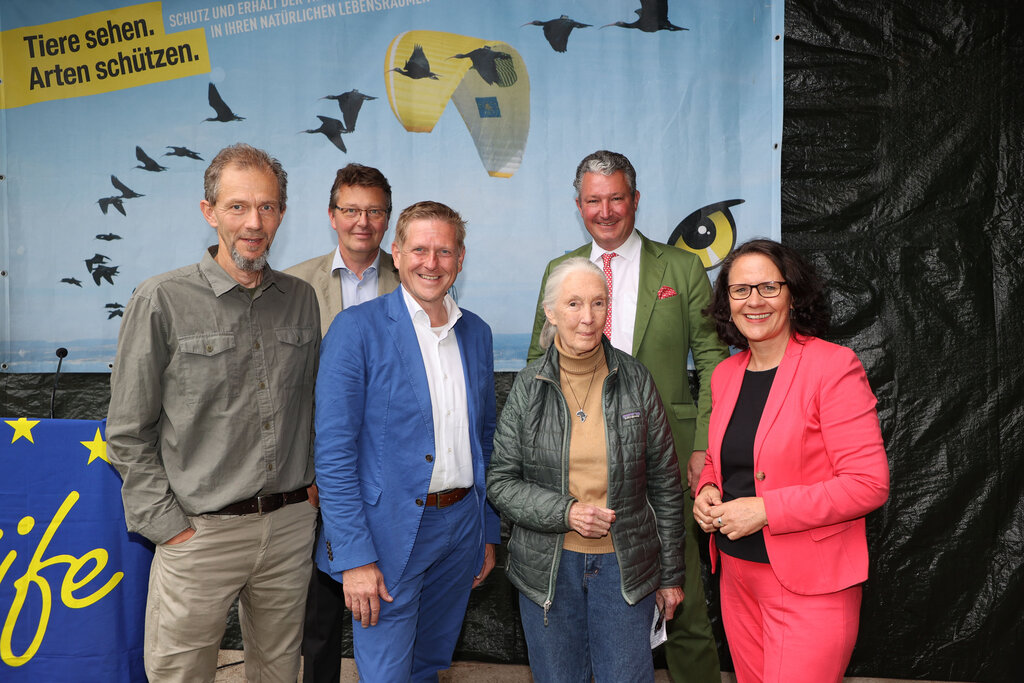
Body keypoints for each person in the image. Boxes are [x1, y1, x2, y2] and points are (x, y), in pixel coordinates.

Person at [106, 143, 320, 682]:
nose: (254, 222)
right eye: (238, 206)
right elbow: (127, 431)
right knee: (181, 674)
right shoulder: (161, 299)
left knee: (278, 673)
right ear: (209, 212)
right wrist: (169, 527)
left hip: (290, 528)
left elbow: (314, 405)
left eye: (268, 207)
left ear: (282, 215)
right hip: (199, 532)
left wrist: (310, 496)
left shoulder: (300, 298)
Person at [528, 150, 729, 683]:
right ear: (578, 206)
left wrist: (702, 449)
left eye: (617, 197)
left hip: (665, 467)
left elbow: (712, 362)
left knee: (678, 600)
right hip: (580, 472)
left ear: (635, 200)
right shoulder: (560, 271)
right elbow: (536, 367)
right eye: (594, 200)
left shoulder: (682, 267)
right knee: (578, 606)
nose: (607, 210)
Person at [313, 201, 500, 681]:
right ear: (396, 253)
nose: (430, 263)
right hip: (387, 535)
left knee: (430, 665)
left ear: (460, 258)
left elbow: (486, 439)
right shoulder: (356, 329)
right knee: (387, 674)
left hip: (461, 529)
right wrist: (354, 557)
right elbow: (333, 455)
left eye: (443, 251)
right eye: (419, 249)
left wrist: (486, 530)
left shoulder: (476, 333)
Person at [693, 239, 890, 682]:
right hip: (737, 576)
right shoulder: (726, 374)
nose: (754, 301)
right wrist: (707, 488)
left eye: (768, 287)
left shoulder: (833, 367)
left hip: (810, 585)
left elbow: (867, 483)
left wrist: (766, 510)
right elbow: (718, 458)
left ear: (793, 295)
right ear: (727, 302)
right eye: (740, 290)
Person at [490, 257, 685, 682]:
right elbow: (501, 483)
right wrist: (566, 512)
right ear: (551, 313)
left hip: (625, 571)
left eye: (599, 303)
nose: (588, 317)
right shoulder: (528, 386)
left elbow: (666, 486)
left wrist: (670, 576)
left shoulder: (636, 378)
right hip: (548, 571)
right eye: (574, 304)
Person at [284, 163, 400, 683]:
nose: (362, 221)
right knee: (320, 613)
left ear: (387, 218)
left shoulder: (416, 280)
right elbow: (289, 389)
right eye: (351, 210)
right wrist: (311, 471)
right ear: (332, 216)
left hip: (391, 476)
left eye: (374, 211)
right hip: (317, 472)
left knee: (391, 602)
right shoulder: (294, 286)